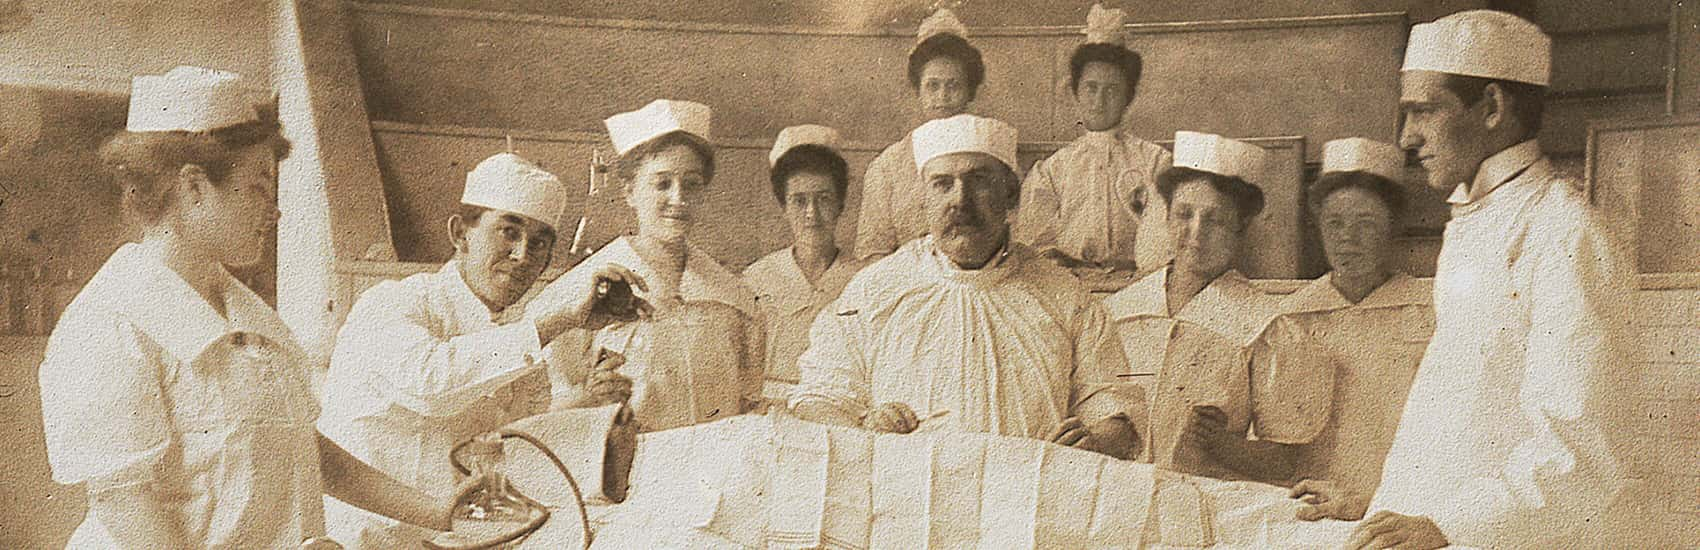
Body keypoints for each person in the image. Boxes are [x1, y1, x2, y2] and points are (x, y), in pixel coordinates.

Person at [37, 66, 458, 548]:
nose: (274, 210)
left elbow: (301, 449)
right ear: (194, 188)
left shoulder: (248, 315)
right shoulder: (110, 322)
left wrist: (439, 513)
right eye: (259, 186)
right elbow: (126, 503)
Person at [1293, 11, 1639, 549]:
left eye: (1423, 111)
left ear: (1493, 108)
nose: (1406, 137)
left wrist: (1449, 526)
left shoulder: (1566, 232)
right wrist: (1381, 499)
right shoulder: (1472, 222)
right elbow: (1464, 416)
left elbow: (1581, 449)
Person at [318, 151, 650, 547]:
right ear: (461, 234)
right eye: (509, 232)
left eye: (540, 242)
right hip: (369, 540)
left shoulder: (515, 335)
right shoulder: (393, 302)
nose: (523, 254)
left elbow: (515, 440)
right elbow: (431, 385)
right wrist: (557, 321)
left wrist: (593, 406)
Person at [790, 114, 1143, 459]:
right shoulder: (875, 290)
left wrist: (1096, 441)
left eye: (979, 180)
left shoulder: (1066, 297)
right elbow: (819, 400)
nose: (960, 199)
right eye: (942, 184)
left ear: (1009, 195)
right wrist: (863, 426)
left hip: (1025, 501)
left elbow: (1119, 423)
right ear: (924, 199)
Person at [1103, 131, 1331, 484]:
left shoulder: (1265, 327)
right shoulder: (1118, 313)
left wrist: (1225, 446)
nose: (1197, 233)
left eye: (1215, 220)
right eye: (1184, 215)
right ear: (1166, 218)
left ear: (1241, 227)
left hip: (1205, 511)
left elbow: (1286, 462)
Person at [545, 99, 764, 432]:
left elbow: (749, 400)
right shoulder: (581, 292)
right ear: (631, 192)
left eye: (691, 184)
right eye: (662, 184)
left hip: (716, 468)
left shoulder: (732, 296)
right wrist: (586, 397)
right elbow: (542, 409)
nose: (679, 199)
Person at [1278, 138, 1432, 516]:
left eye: (1366, 223)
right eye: (1335, 223)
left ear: (1394, 228)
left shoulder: (1431, 313)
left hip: (1397, 508)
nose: (1348, 238)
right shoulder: (1292, 319)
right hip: (1308, 507)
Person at [1014, 4, 1172, 278]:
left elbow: (1165, 239)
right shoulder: (1053, 170)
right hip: (1069, 285)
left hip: (1138, 283)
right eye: (1091, 88)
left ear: (1128, 97)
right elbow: (1036, 244)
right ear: (1076, 93)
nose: (1099, 101)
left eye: (1112, 90)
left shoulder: (1155, 162)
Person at [742, 125, 868, 402]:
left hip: (841, 405)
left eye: (823, 199)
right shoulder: (757, 278)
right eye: (799, 201)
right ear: (783, 206)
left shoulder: (864, 279)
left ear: (841, 204)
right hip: (769, 408)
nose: (812, 213)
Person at [853, 9, 987, 259]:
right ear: (918, 91)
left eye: (953, 85)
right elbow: (872, 251)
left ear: (970, 91)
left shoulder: (990, 157)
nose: (943, 97)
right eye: (932, 86)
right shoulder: (888, 166)